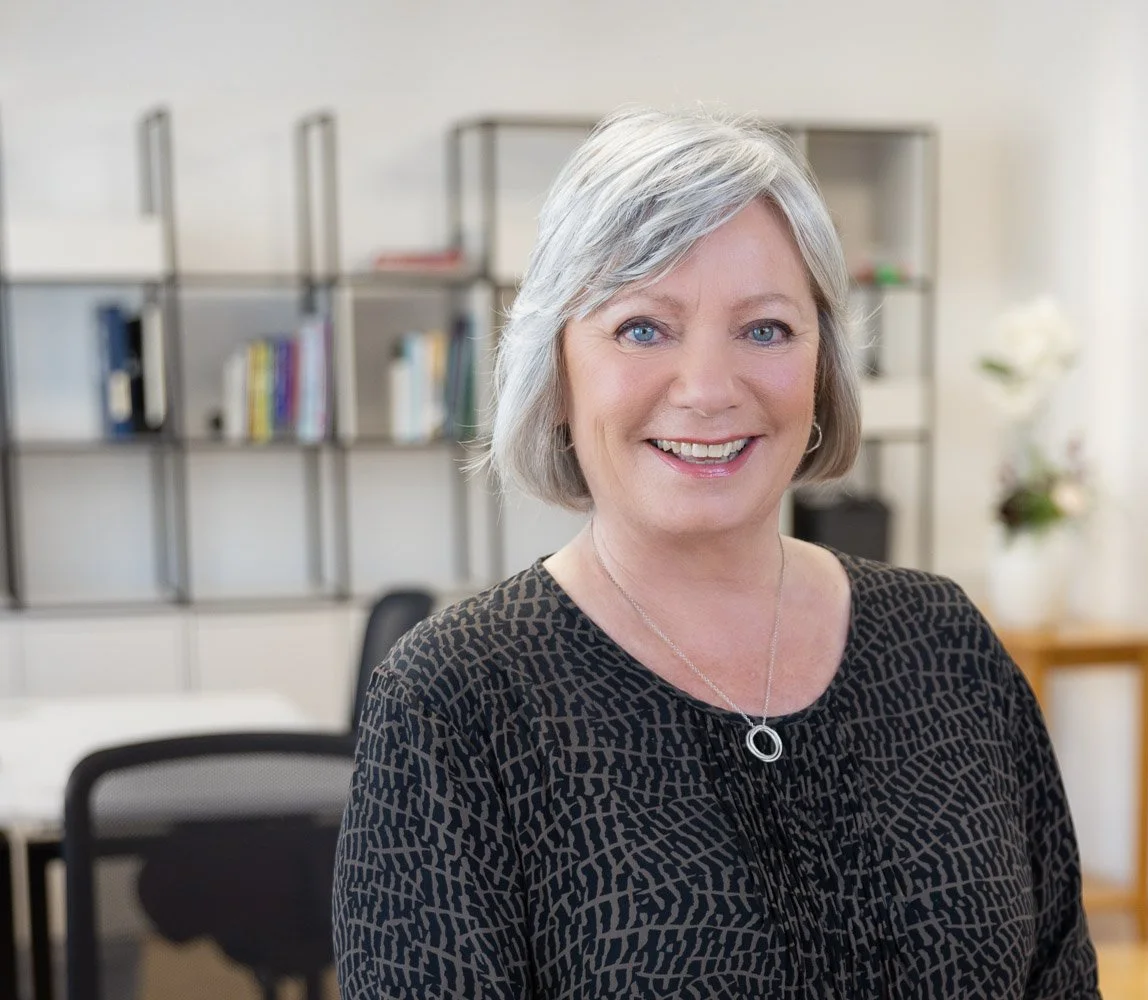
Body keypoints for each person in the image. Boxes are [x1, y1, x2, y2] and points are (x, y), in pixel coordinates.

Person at [332, 105, 1100, 999]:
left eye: (765, 329)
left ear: (822, 367)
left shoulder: (945, 642)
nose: (706, 390)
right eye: (642, 329)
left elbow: (1060, 979)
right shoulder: (455, 702)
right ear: (556, 370)